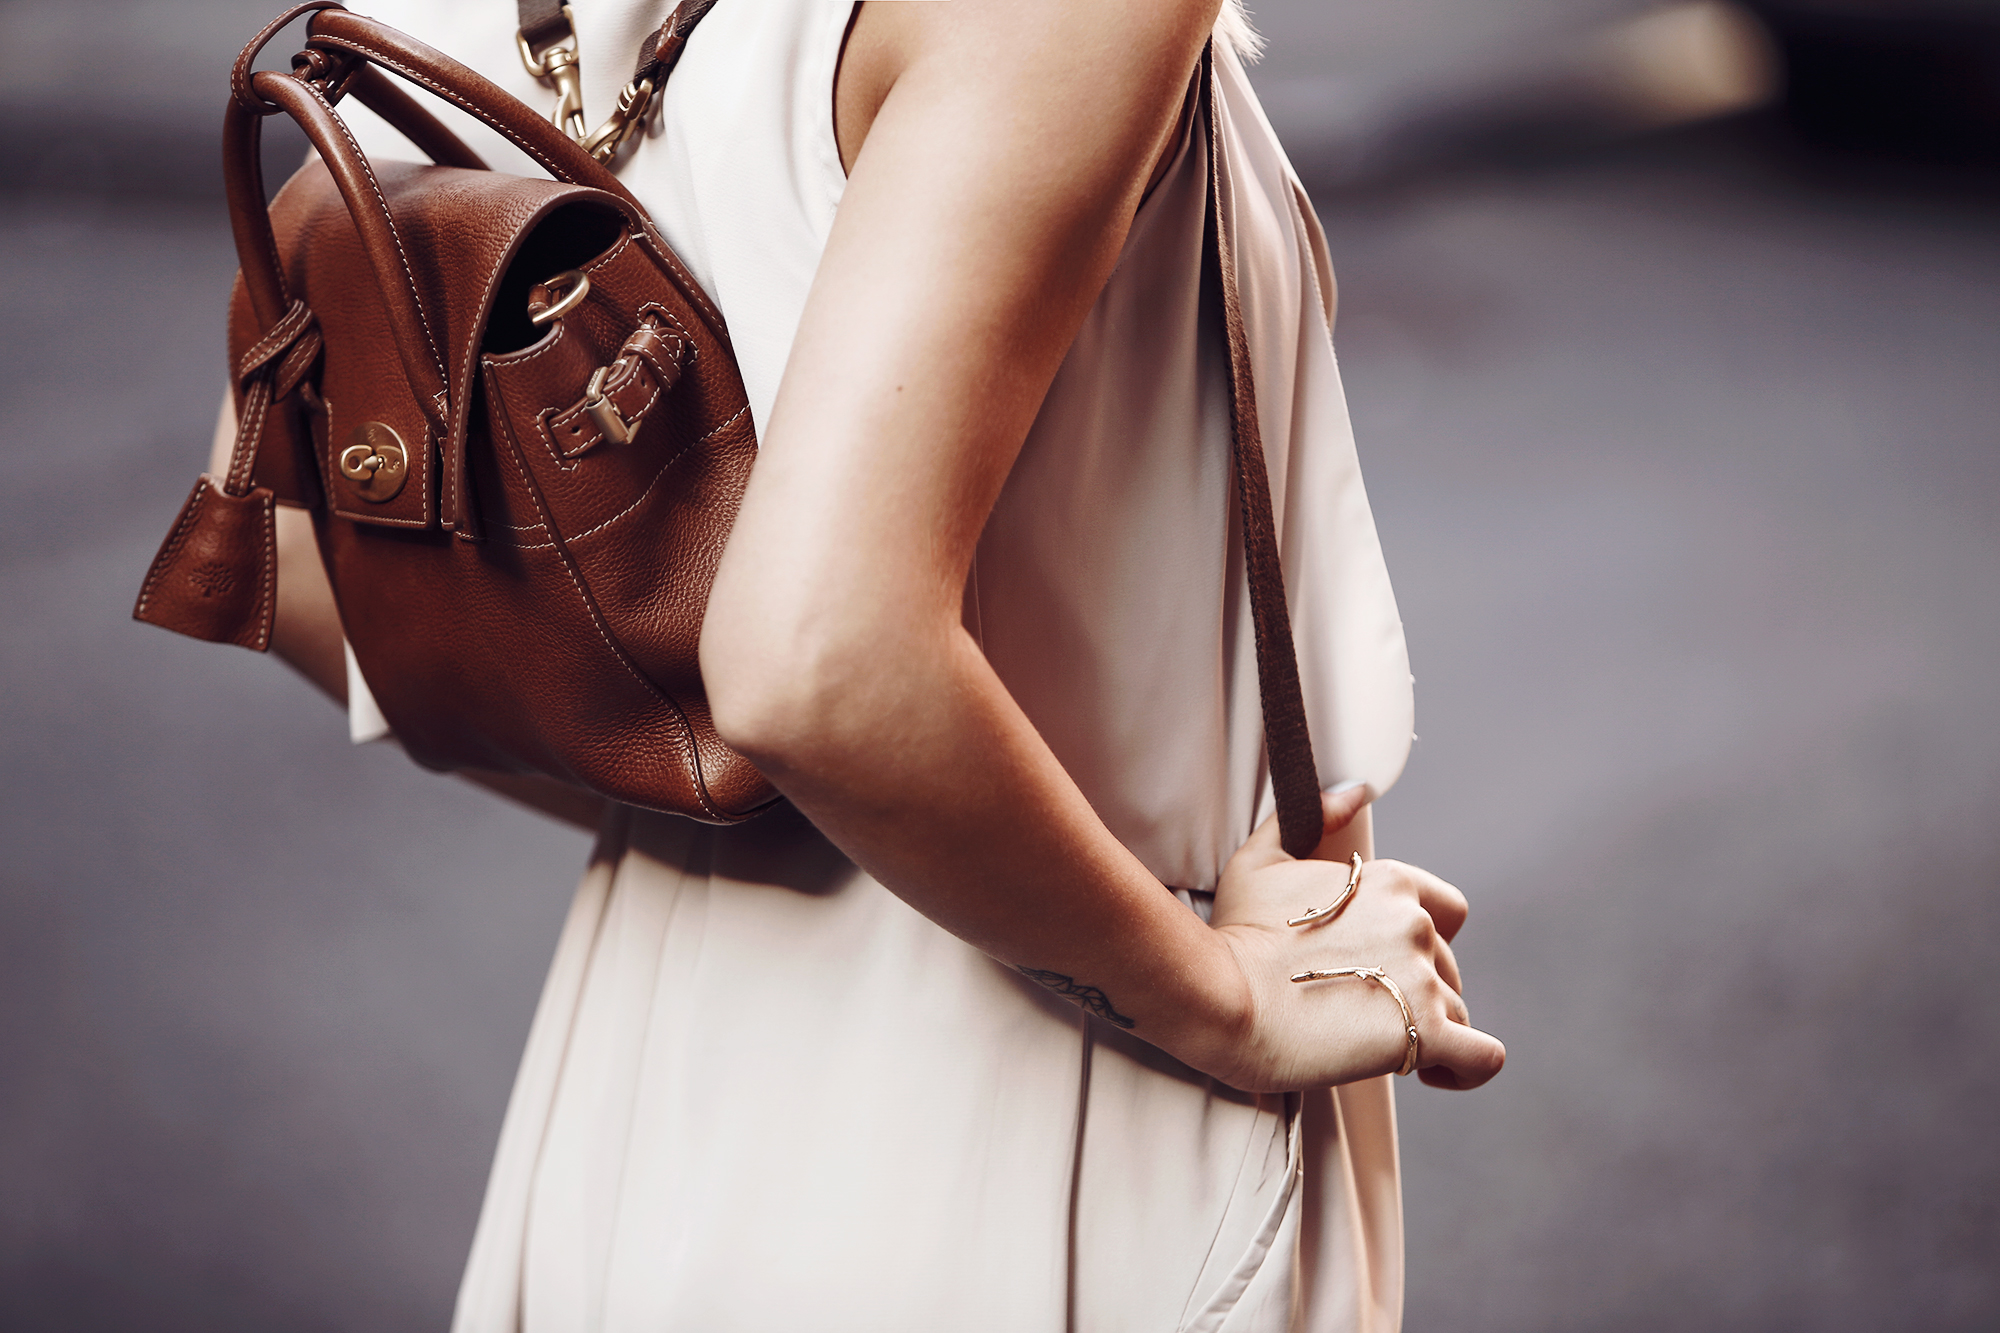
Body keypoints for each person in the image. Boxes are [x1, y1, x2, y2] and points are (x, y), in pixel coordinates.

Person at [218, 0, 1505, 1326]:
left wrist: (749, 789)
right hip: (1056, 1111)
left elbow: (289, 554)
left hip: (647, 1097)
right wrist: (1223, 1003)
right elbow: (816, 665)